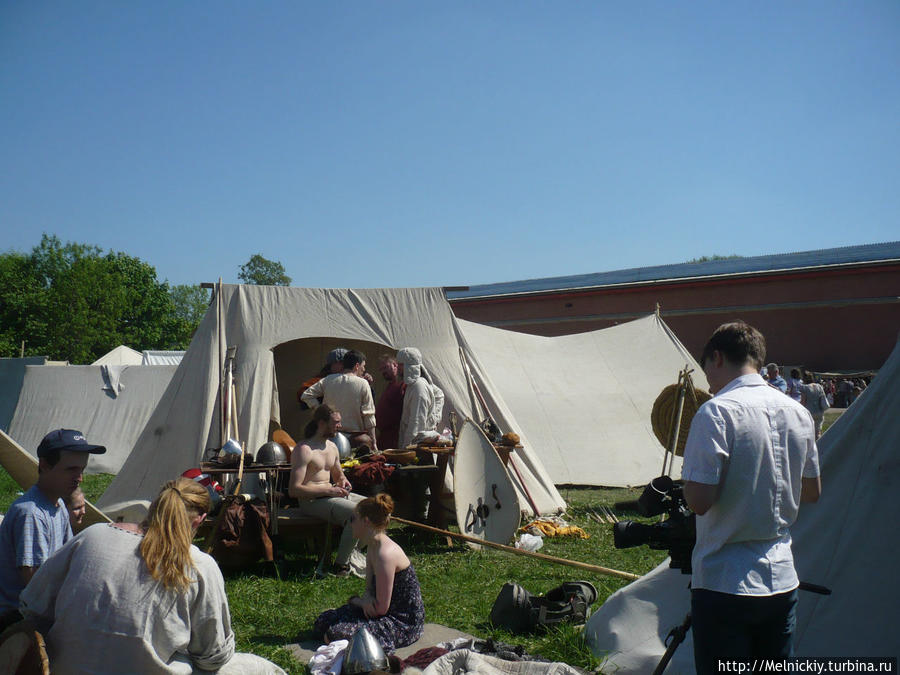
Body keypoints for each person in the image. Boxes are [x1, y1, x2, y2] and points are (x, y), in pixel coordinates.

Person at [19, 478, 284, 674]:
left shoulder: (92, 535)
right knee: (265, 669)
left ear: (153, 507)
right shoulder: (199, 565)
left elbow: (32, 605)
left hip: (66, 669)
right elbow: (213, 657)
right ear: (198, 521)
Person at [682, 321, 821, 674]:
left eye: (707, 371)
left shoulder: (717, 410)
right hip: (781, 576)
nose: (709, 382)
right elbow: (812, 491)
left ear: (717, 357)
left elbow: (699, 501)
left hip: (726, 580)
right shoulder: (798, 411)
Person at [0, 429, 106, 631]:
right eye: (71, 469)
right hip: (16, 623)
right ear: (45, 465)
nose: (79, 478)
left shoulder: (58, 507)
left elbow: (65, 562)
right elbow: (36, 583)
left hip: (38, 612)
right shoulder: (31, 513)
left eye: (81, 469)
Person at [313, 493, 425, 653]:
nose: (350, 524)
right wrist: (364, 601)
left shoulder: (385, 554)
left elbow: (380, 608)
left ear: (366, 522)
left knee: (333, 634)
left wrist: (355, 601)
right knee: (323, 621)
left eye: (352, 519)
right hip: (378, 610)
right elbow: (369, 591)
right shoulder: (373, 546)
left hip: (402, 621)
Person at [288, 404, 364, 576]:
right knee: (357, 513)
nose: (339, 426)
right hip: (311, 502)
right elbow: (294, 490)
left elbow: (338, 476)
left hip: (331, 497)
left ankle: (354, 553)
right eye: (336, 422)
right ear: (322, 423)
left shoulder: (332, 447)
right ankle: (340, 565)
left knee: (376, 508)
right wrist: (328, 491)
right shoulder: (304, 449)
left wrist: (344, 482)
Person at [302, 349, 378, 452]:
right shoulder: (363, 383)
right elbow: (369, 415)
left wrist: (321, 410)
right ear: (356, 366)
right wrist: (373, 442)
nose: (364, 369)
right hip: (354, 440)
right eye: (363, 366)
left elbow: (306, 395)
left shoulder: (328, 380)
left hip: (329, 437)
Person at [396, 347, 445, 449]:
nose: (398, 367)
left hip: (417, 448)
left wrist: (405, 450)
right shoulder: (413, 385)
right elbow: (439, 394)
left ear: (407, 366)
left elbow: (416, 423)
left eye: (400, 364)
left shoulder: (419, 387)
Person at [375, 354, 405, 450]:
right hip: (385, 436)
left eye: (385, 367)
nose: (383, 371)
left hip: (394, 437)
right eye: (381, 369)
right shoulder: (391, 385)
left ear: (395, 365)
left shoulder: (403, 385)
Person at [800, 370, 829, 439]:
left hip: (809, 412)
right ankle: (820, 446)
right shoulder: (819, 386)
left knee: (809, 433)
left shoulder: (804, 388)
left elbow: (803, 402)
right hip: (819, 412)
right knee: (818, 432)